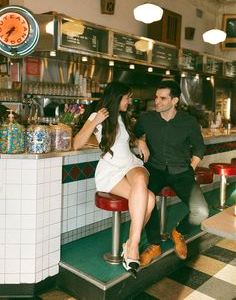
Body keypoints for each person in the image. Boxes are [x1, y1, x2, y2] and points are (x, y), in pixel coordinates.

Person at [73, 81, 155, 277]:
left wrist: (140, 141)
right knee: (150, 200)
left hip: (131, 164)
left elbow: (127, 139)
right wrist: (94, 121)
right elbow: (76, 143)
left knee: (141, 182)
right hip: (111, 170)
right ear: (117, 97)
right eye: (127, 97)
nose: (129, 101)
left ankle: (132, 245)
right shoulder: (98, 116)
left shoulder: (124, 118)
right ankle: (130, 245)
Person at [135, 79, 209, 267]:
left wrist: (191, 167)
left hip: (181, 170)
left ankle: (179, 232)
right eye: (156, 97)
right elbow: (133, 132)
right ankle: (154, 244)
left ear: (175, 101)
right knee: (146, 200)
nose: (156, 102)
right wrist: (140, 139)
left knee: (201, 211)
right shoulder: (147, 119)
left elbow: (199, 147)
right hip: (155, 169)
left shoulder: (188, 122)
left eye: (162, 98)